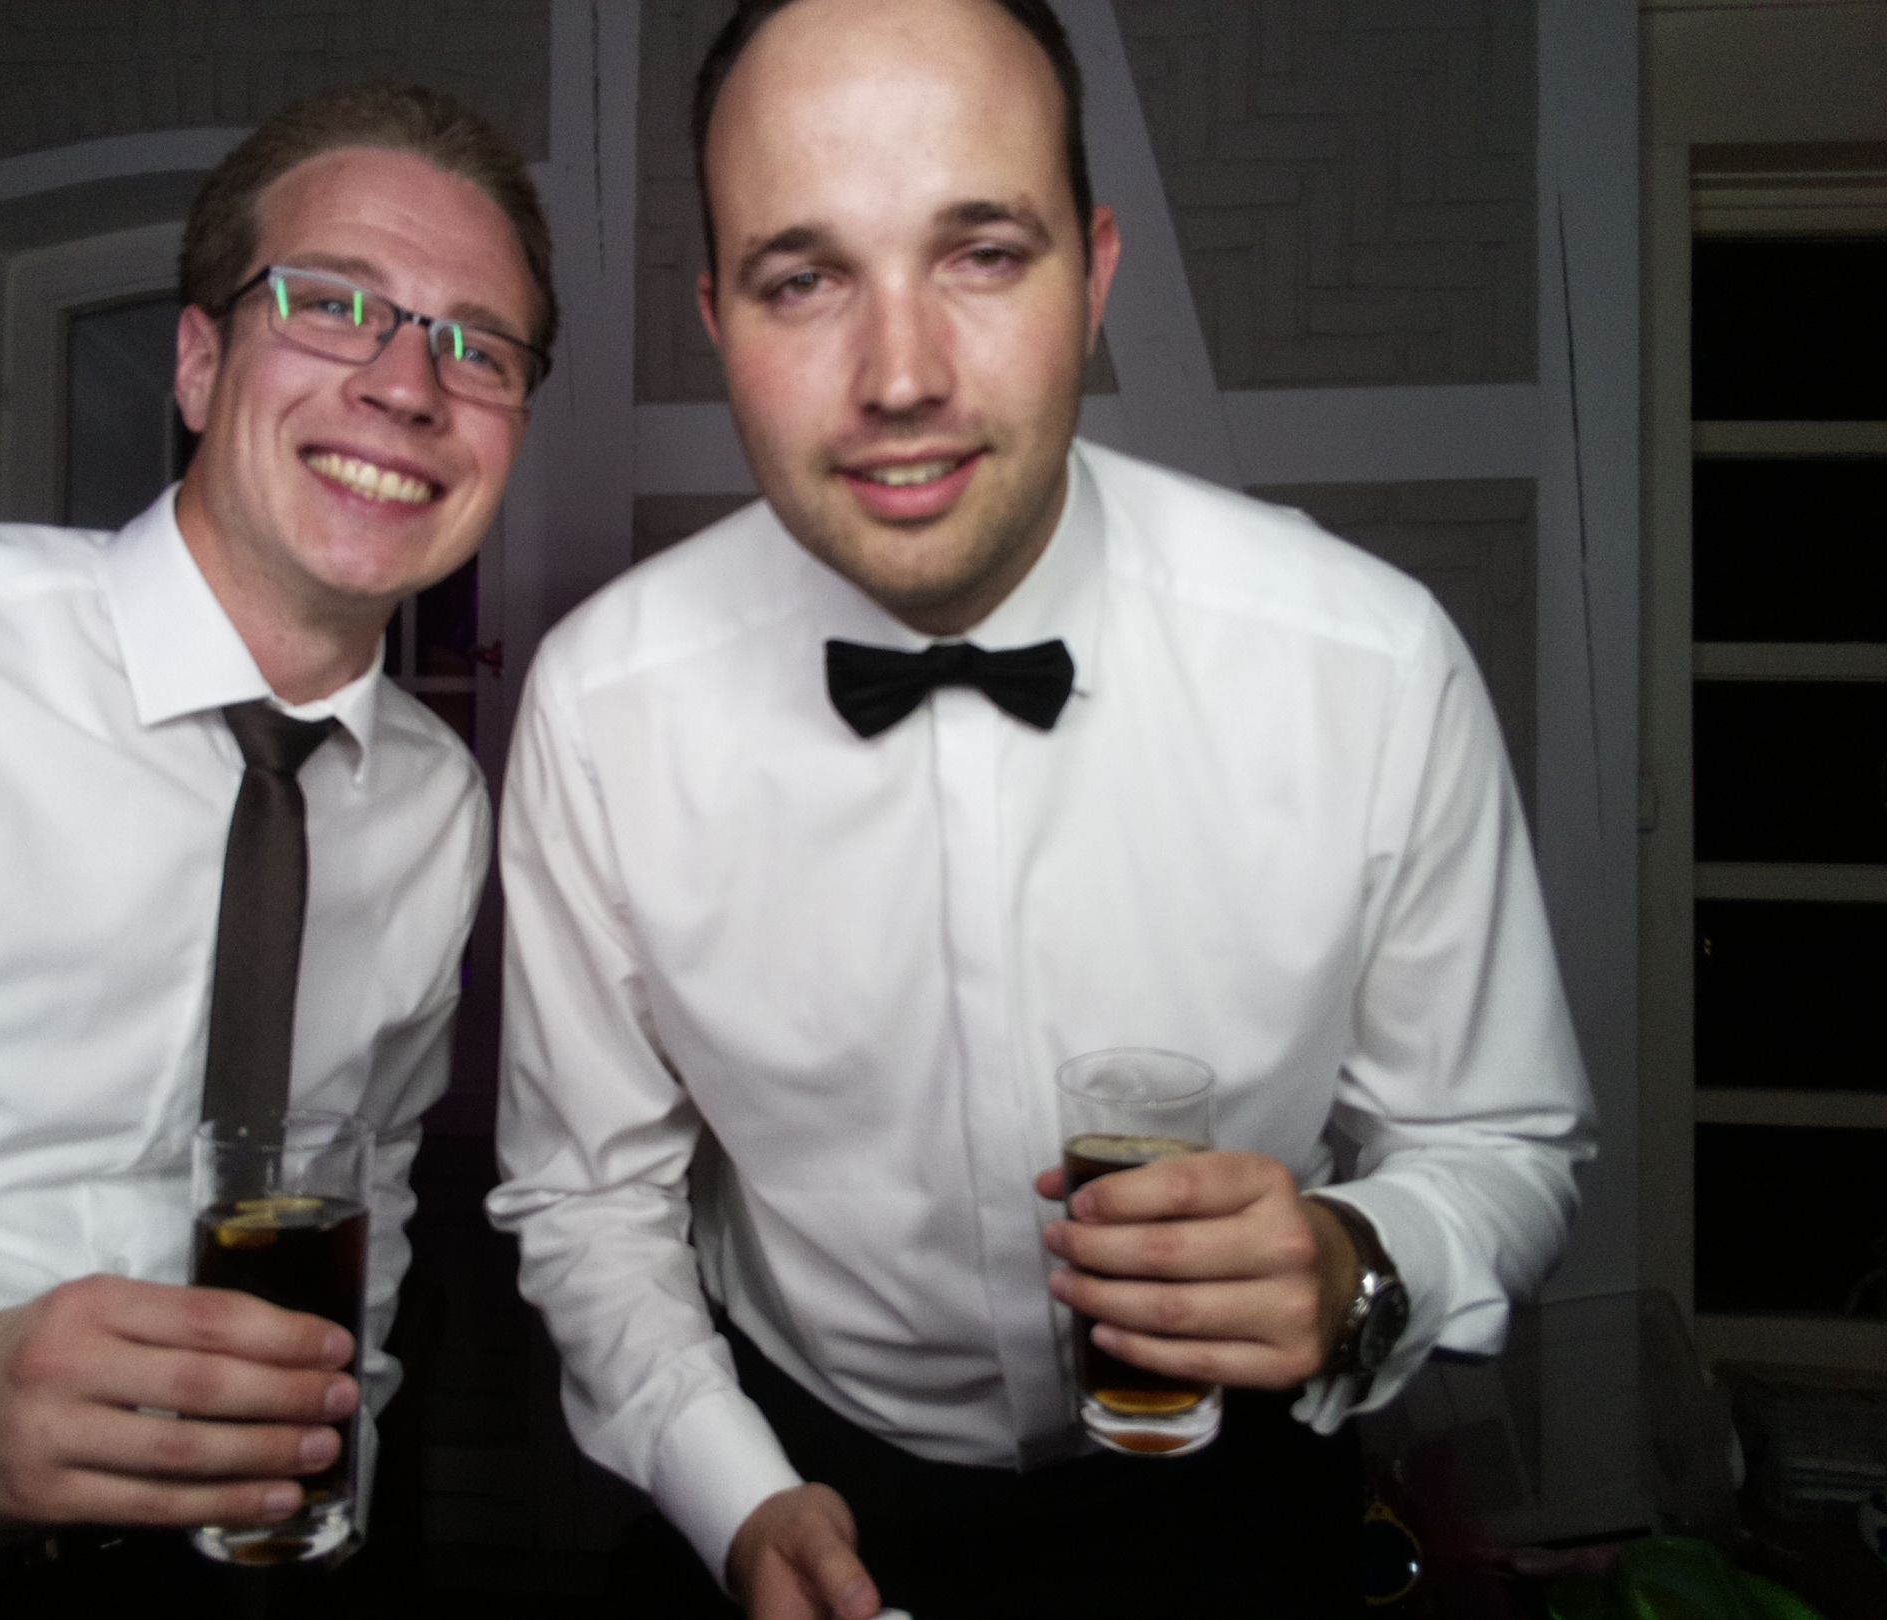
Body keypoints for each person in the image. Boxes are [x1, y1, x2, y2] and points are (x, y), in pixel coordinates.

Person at [487, 3, 1595, 1617]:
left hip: (1241, 1497)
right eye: (805, 280)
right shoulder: (600, 708)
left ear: (1095, 273)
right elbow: (590, 1199)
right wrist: (733, 1493)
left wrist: (1360, 1265)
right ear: (716, 316)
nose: (902, 376)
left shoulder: (1371, 660)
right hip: (794, 1475)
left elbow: (1501, 1142)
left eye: (984, 254)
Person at [0, 83, 553, 1609]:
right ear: (197, 361)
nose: (406, 385)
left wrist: (333, 1481)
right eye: (331, 305)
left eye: (478, 348)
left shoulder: (437, 802)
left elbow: (362, 1189)